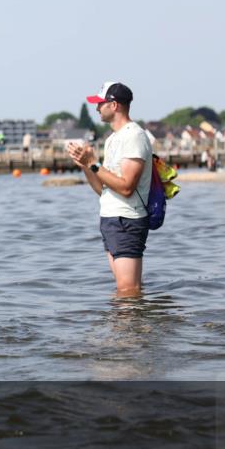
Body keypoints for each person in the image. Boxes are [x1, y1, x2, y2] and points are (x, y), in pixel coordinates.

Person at [68, 82, 152, 297]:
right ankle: (125, 330)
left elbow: (126, 188)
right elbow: (103, 189)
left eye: (100, 104)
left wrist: (95, 164)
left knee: (128, 291)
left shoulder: (134, 136)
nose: (97, 109)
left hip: (127, 219)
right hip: (110, 219)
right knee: (124, 291)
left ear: (114, 105)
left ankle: (132, 330)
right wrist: (85, 165)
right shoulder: (112, 139)